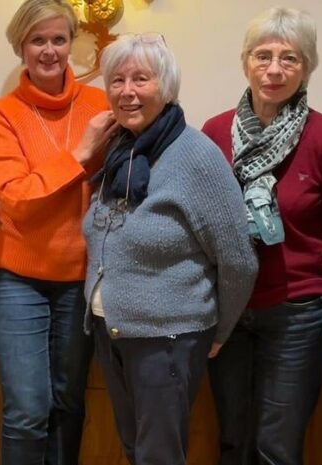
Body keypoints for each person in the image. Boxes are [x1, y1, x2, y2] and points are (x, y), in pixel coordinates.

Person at [84, 33, 257, 465]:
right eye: (117, 80)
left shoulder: (195, 155)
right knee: (135, 448)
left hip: (168, 337)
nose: (127, 91)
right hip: (115, 332)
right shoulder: (119, 151)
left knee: (158, 455)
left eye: (140, 78)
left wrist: (219, 332)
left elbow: (238, 259)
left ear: (166, 85)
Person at [201, 8, 322, 465]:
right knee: (232, 439)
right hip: (228, 310)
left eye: (290, 58)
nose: (274, 69)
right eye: (263, 55)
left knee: (277, 447)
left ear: (307, 67)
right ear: (245, 61)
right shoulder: (213, 133)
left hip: (298, 314)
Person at [0, 0, 117, 463]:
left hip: (81, 278)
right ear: (21, 45)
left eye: (59, 39)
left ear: (71, 44)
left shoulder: (102, 105)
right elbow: (14, 197)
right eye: (38, 40)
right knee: (27, 409)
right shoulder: (4, 113)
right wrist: (78, 156)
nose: (50, 50)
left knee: (69, 402)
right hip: (16, 277)